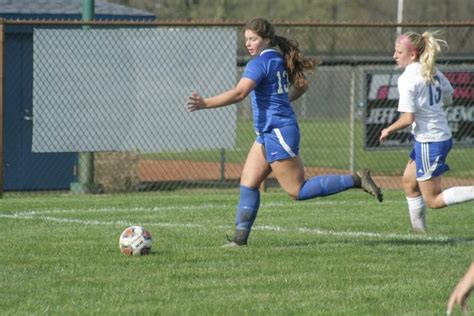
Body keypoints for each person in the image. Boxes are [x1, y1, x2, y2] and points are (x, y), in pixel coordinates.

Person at [187, 17, 383, 247]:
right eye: (246, 40)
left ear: (266, 39)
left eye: (253, 39)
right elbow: (302, 85)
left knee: (297, 190)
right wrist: (283, 101)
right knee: (249, 183)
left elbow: (240, 93)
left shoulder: (258, 63)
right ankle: (239, 241)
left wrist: (206, 103)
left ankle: (356, 180)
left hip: (278, 132)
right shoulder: (278, 59)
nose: (249, 44)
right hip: (269, 132)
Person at [379, 30, 474, 233]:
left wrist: (388, 129)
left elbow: (407, 118)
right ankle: (419, 234)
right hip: (439, 136)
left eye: (398, 52)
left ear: (412, 54)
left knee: (433, 199)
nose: (394, 56)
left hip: (430, 140)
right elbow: (449, 96)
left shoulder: (407, 78)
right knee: (408, 181)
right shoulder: (431, 70)